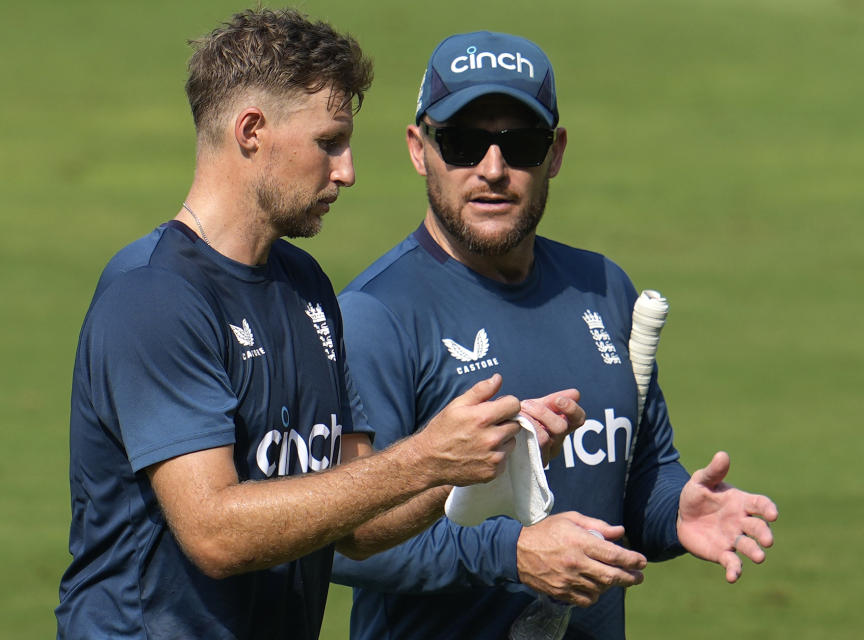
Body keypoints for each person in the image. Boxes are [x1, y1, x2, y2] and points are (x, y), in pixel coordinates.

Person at [55, 12, 588, 639]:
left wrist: (481, 459)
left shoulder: (305, 286)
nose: (348, 171)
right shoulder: (154, 295)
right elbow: (214, 533)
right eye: (329, 142)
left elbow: (356, 526)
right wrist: (424, 456)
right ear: (251, 131)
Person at [331, 31, 780, 639]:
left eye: (522, 145)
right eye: (463, 143)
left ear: (557, 152)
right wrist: (513, 553)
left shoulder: (601, 287)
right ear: (419, 148)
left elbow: (638, 472)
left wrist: (677, 510)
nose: (493, 170)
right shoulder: (375, 315)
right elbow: (344, 540)